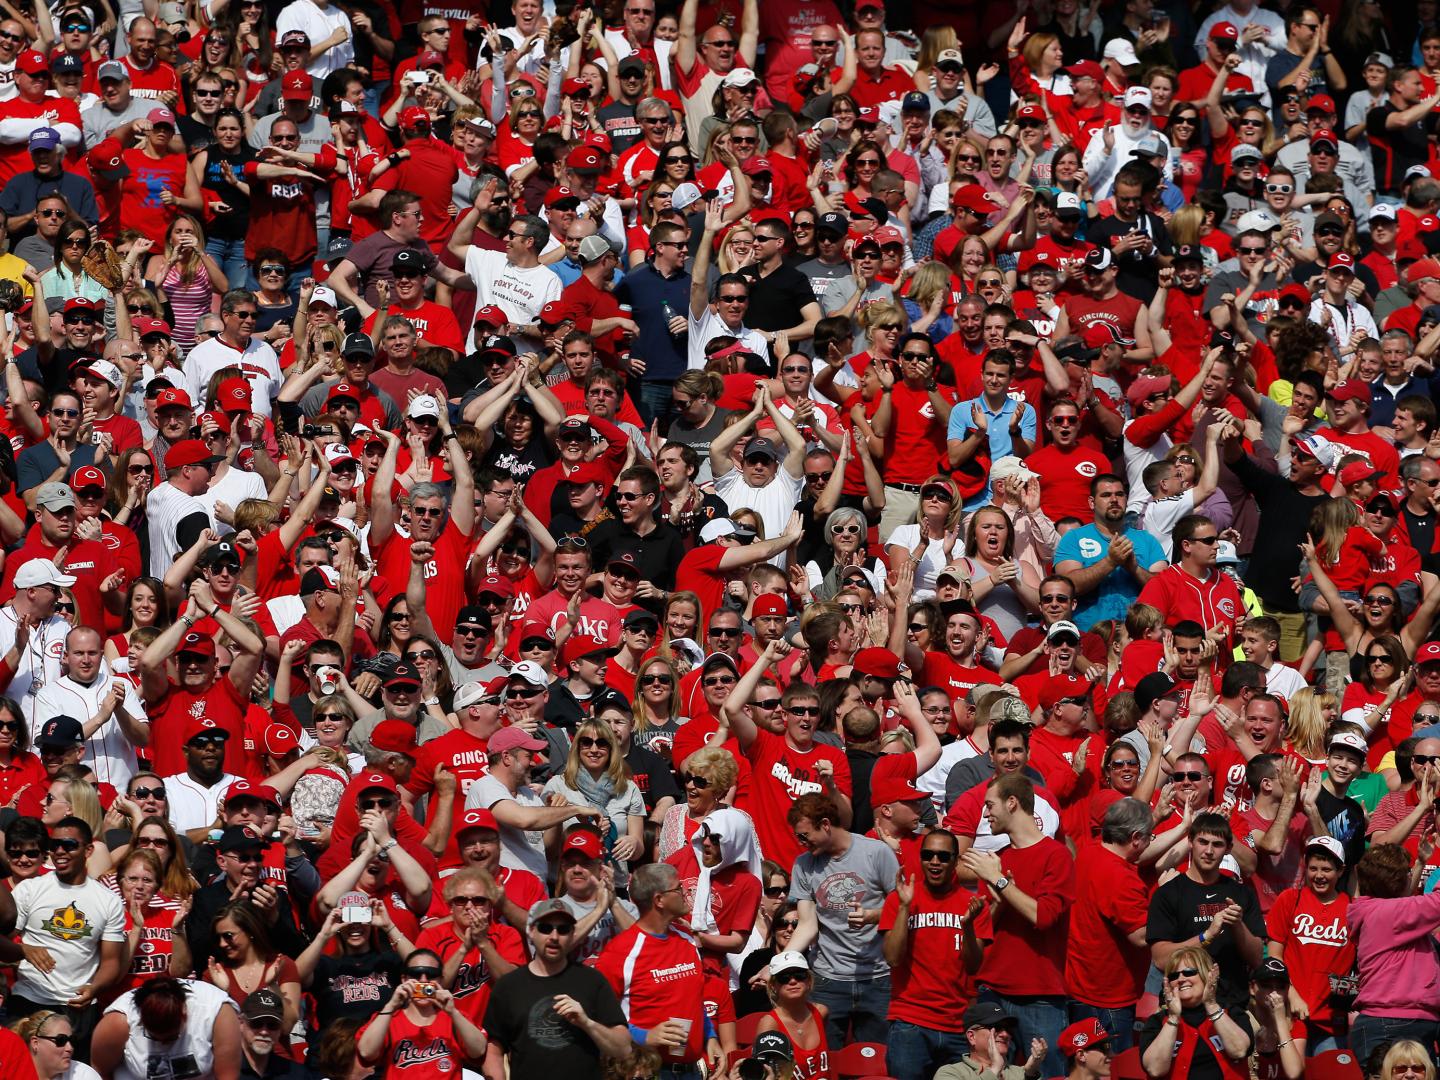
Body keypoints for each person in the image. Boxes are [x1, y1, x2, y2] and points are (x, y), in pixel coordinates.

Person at [0, 817, 127, 1055]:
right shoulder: (30, 889)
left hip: (77, 1005)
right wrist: (23, 951)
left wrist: (95, 988)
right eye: (54, 844)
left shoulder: (108, 900)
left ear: (88, 850)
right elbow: (2, 943)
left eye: (69, 844)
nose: (60, 851)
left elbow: (111, 961)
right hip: (30, 999)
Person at [594, 862, 725, 1074]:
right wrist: (645, 1036)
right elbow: (597, 1015)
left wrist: (710, 1036)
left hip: (689, 1070)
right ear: (659, 900)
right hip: (644, 1070)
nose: (685, 892)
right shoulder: (620, 952)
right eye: (678, 888)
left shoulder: (687, 941)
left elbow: (695, 1000)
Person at [880, 828, 985, 1080]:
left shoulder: (972, 904)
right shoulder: (899, 900)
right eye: (928, 855)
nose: (934, 862)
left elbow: (973, 966)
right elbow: (892, 958)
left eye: (943, 856)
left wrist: (968, 926)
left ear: (955, 861)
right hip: (910, 1023)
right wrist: (905, 907)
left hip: (957, 1025)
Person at [484, 898, 631, 1076]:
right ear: (531, 931)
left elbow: (623, 1049)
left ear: (572, 934)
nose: (554, 937)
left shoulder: (592, 980)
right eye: (545, 928)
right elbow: (494, 1051)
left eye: (563, 929)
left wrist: (587, 1023)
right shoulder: (509, 986)